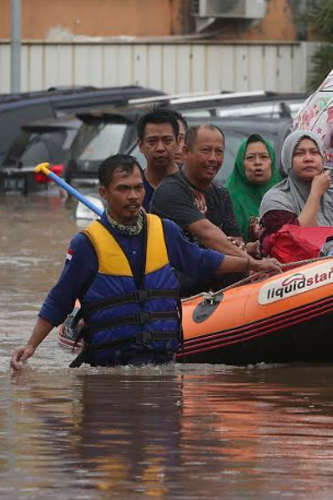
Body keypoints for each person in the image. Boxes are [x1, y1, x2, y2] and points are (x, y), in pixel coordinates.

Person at [10, 154, 280, 370]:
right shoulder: (86, 244)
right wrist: (31, 346)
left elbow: (202, 261)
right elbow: (60, 299)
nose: (133, 196)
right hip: (109, 370)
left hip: (162, 365)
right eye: (123, 189)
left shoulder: (165, 230)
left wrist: (252, 264)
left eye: (138, 188)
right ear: (104, 192)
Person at [150, 124, 249, 295]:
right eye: (205, 151)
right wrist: (252, 264)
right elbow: (207, 234)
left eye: (219, 152)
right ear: (186, 151)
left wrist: (243, 249)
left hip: (219, 293)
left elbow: (234, 240)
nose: (213, 158)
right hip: (177, 293)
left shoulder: (221, 194)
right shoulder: (169, 191)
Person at [258, 130, 333, 242]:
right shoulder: (276, 199)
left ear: (322, 158)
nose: (308, 158)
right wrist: (315, 193)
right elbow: (295, 242)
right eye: (299, 153)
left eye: (314, 152)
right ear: (288, 160)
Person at [224, 134, 281, 247]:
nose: (258, 162)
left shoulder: (285, 195)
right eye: (250, 158)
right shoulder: (226, 198)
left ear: (272, 161)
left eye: (264, 157)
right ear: (240, 163)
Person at [137, 107, 180, 211]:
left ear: (178, 142)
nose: (160, 148)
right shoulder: (133, 189)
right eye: (152, 141)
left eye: (167, 140)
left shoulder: (194, 185)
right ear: (140, 145)